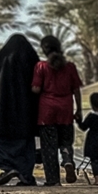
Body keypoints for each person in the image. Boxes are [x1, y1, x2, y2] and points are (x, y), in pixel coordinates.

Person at [0, 34, 39, 186]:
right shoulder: (31, 60)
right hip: (25, 113)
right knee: (25, 142)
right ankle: (25, 174)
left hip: (1, 112)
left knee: (0, 139)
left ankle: (8, 167)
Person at [31, 35, 83, 186]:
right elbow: (76, 90)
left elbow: (36, 89)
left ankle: (53, 180)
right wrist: (79, 110)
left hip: (47, 111)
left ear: (44, 50)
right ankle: (67, 161)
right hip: (66, 110)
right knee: (66, 141)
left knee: (49, 147)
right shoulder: (70, 67)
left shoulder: (41, 66)